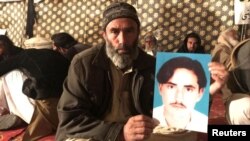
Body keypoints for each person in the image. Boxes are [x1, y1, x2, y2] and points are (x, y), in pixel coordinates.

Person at [56, 2, 229, 141]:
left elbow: (176, 109)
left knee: (187, 135)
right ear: (104, 35)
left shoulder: (152, 65)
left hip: (140, 133)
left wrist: (212, 89)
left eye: (129, 31)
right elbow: (70, 119)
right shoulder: (84, 64)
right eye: (114, 32)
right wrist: (119, 133)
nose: (122, 40)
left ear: (138, 33)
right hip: (99, 133)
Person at [0, 36, 70, 140]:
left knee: (9, 75)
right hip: (71, 113)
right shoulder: (61, 57)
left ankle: (5, 113)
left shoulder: (25, 56)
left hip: (47, 115)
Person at [153, 56, 208, 133]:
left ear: (200, 93)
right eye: (171, 87)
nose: (179, 98)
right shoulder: (148, 119)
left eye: (188, 89)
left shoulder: (204, 124)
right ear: (160, 88)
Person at [212, 27, 250, 125]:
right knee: (244, 108)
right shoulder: (221, 51)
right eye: (234, 35)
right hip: (237, 95)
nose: (236, 36)